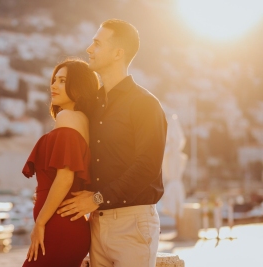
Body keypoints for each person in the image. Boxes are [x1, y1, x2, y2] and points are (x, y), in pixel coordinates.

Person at [57, 19, 168, 267]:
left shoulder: (145, 104)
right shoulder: (92, 105)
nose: (89, 49)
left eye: (97, 43)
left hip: (133, 223)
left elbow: (147, 167)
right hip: (96, 222)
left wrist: (96, 199)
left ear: (118, 53)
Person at [22, 58, 99, 267]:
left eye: (63, 81)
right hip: (66, 227)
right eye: (54, 80)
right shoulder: (84, 120)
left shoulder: (67, 117)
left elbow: (65, 179)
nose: (54, 85)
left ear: (79, 87)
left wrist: (39, 223)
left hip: (58, 228)